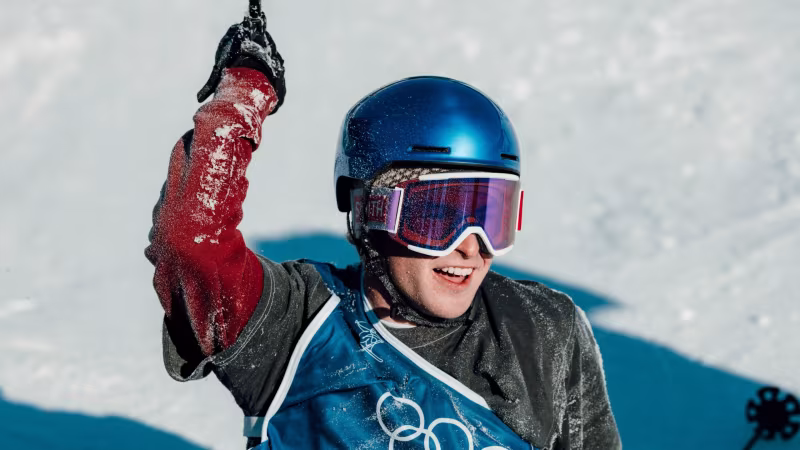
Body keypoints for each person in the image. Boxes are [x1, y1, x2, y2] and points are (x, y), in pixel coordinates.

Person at [145, 13, 621, 450]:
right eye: (437, 216)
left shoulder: (540, 327)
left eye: (491, 216)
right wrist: (246, 89)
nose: (472, 246)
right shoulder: (295, 325)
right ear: (368, 210)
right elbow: (190, 240)